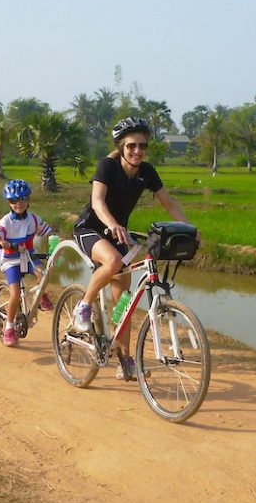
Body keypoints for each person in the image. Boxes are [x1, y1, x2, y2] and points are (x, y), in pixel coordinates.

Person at [71, 116, 197, 380]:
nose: (137, 151)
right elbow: (97, 202)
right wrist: (113, 224)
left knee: (124, 303)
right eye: (131, 146)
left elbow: (169, 203)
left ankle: (125, 360)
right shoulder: (108, 166)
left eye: (142, 146)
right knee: (114, 263)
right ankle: (83, 306)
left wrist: (189, 229)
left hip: (118, 235)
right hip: (91, 229)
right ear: (121, 146)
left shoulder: (146, 172)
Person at [0, 179, 54, 347]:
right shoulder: (6, 221)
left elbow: (48, 232)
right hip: (11, 260)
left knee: (44, 273)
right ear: (8, 202)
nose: (18, 204)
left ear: (28, 200)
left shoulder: (33, 219)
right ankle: (9, 328)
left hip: (28, 256)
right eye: (13, 200)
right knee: (16, 293)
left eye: (22, 199)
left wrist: (56, 242)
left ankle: (41, 296)